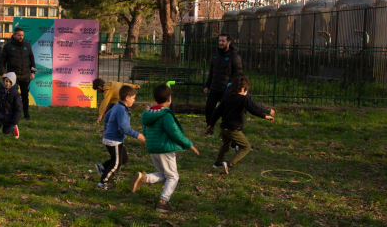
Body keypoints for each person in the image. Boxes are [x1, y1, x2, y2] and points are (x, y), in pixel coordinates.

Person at [130, 84, 199, 213]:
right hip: (164, 149)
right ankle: (163, 201)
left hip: (153, 148)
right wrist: (189, 144)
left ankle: (145, 178)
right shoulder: (166, 115)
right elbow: (174, 132)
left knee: (165, 174)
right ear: (169, 99)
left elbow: (145, 129)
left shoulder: (148, 114)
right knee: (173, 177)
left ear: (155, 99)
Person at [205, 75, 274, 174]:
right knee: (246, 147)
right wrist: (265, 116)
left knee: (225, 145)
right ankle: (229, 163)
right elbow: (252, 109)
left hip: (223, 127)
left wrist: (211, 124)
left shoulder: (227, 97)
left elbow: (217, 112)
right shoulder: (243, 99)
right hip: (233, 129)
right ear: (243, 89)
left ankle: (217, 163)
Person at [96, 85, 145, 190]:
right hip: (114, 140)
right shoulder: (121, 110)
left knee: (123, 159)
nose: (134, 100)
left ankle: (103, 167)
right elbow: (123, 128)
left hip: (112, 138)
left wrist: (105, 129)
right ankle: (103, 183)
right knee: (116, 165)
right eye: (133, 98)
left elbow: (107, 116)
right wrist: (137, 135)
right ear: (127, 98)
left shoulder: (117, 106)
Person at [203, 34, 242, 135]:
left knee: (226, 112)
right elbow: (211, 72)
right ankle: (210, 129)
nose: (220, 43)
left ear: (228, 42)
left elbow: (237, 74)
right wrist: (207, 85)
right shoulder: (215, 55)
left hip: (226, 89)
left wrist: (233, 88)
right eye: (219, 40)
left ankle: (224, 132)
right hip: (214, 88)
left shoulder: (235, 57)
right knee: (209, 109)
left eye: (223, 41)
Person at [0, 27, 36, 120]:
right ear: (14, 35)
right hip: (13, 77)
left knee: (25, 96)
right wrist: (3, 73)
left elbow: (32, 60)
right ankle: (9, 114)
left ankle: (26, 115)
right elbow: (2, 60)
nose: (21, 37)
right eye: (19, 35)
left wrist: (33, 72)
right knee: (11, 96)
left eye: (22, 35)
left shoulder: (27, 46)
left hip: (25, 76)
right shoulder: (8, 46)